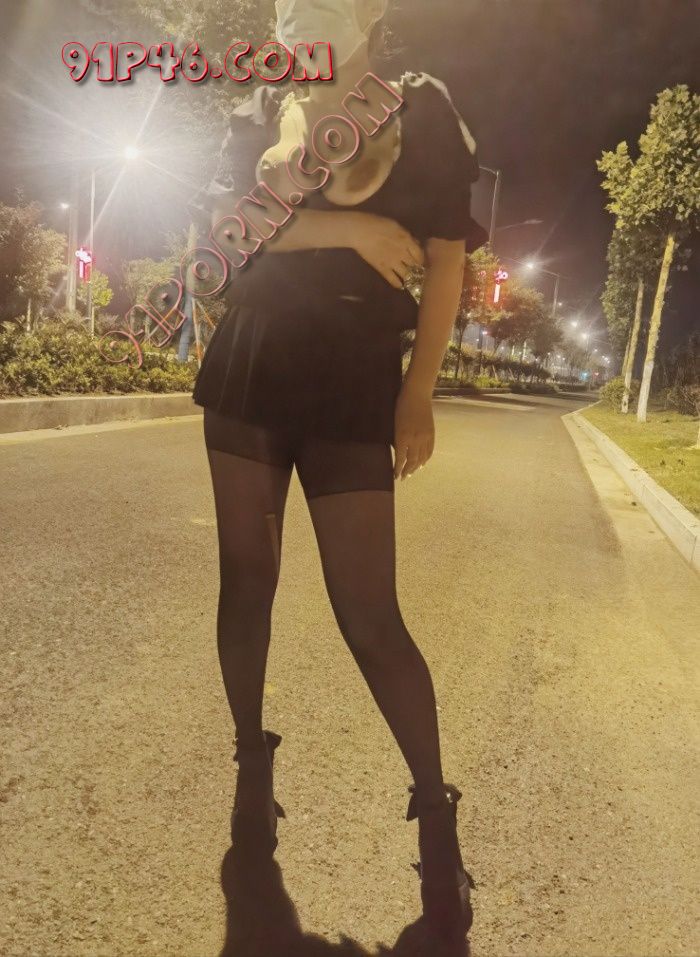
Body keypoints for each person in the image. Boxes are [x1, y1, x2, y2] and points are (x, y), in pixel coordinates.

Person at [188, 0, 488, 944]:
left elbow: (446, 261)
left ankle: (435, 817)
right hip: (254, 354)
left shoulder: (420, 107)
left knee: (370, 614)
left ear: (369, 13)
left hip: (356, 371)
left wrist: (418, 391)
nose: (300, 19)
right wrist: (347, 232)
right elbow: (229, 232)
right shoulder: (261, 107)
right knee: (247, 583)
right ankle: (251, 773)